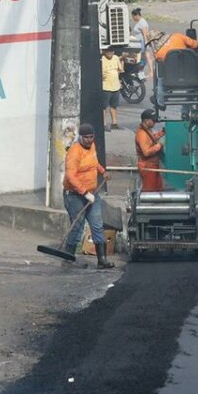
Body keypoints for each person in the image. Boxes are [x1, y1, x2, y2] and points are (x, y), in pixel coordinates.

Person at [63, 123, 114, 269]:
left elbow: (94, 163)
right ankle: (68, 257)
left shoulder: (91, 147)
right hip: (75, 195)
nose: (89, 140)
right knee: (78, 227)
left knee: (97, 225)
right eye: (86, 138)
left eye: (91, 137)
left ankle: (102, 260)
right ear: (81, 137)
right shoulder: (74, 152)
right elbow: (70, 176)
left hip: (93, 193)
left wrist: (103, 171)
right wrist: (84, 193)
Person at [135, 109, 166, 192]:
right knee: (150, 191)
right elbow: (146, 152)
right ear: (146, 121)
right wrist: (159, 145)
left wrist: (160, 134)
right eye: (153, 121)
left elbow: (151, 139)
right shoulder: (142, 134)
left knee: (158, 188)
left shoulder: (147, 130)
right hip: (147, 167)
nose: (155, 123)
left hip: (153, 165)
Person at [101, 46, 123, 130]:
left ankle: (114, 123)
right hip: (106, 87)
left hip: (115, 86)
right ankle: (104, 124)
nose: (110, 52)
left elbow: (120, 69)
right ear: (104, 51)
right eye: (108, 51)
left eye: (111, 51)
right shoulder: (102, 59)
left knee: (114, 106)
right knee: (104, 107)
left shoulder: (116, 58)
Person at [131, 7, 153, 79]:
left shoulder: (141, 22)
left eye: (133, 16)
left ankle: (149, 72)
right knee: (145, 57)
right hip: (141, 42)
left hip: (142, 42)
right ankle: (141, 72)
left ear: (136, 15)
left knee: (142, 57)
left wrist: (146, 42)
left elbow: (144, 33)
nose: (133, 18)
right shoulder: (141, 21)